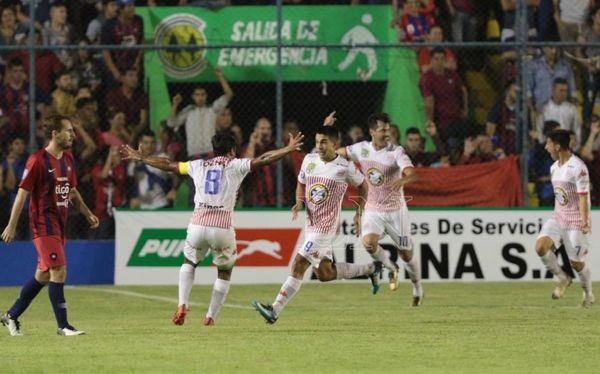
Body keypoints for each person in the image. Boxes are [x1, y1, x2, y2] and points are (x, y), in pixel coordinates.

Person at [119, 130, 304, 326]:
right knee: (224, 271)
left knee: (189, 262)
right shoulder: (236, 165)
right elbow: (263, 159)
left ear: (213, 150)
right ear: (232, 150)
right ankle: (210, 317)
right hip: (222, 227)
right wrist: (287, 149)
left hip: (198, 224)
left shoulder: (197, 165)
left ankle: (182, 303)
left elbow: (168, 165)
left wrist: (143, 157)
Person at [252, 126, 381, 325]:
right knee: (325, 274)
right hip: (311, 225)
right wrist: (298, 202)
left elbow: (364, 185)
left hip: (326, 228)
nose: (319, 146)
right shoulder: (309, 160)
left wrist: (359, 212)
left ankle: (274, 309)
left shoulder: (344, 166)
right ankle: (371, 269)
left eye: (323, 142)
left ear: (334, 144)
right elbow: (301, 182)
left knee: (299, 264)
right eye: (317, 141)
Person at [1, 115, 100, 337]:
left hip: (59, 225)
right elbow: (21, 194)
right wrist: (11, 225)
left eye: (73, 131)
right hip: (42, 225)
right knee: (59, 269)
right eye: (68, 131)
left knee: (43, 276)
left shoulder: (68, 159)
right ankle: (63, 326)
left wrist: (87, 213)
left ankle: (11, 315)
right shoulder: (37, 161)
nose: (73, 135)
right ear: (54, 133)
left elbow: (72, 191)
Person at [327, 112, 424, 305]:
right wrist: (327, 128)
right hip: (373, 208)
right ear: (372, 132)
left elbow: (412, 175)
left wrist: (403, 179)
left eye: (388, 129)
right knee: (369, 243)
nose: (387, 132)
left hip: (396, 212)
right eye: (382, 129)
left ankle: (417, 287)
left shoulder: (396, 151)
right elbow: (334, 153)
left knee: (407, 254)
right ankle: (390, 267)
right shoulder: (361, 149)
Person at [534, 129, 594, 308]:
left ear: (558, 146)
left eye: (549, 143)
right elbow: (560, 197)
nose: (546, 147)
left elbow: (583, 196)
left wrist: (584, 221)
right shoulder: (554, 168)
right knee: (540, 247)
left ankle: (588, 292)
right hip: (559, 217)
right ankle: (563, 278)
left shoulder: (578, 167)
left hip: (576, 220)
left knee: (577, 263)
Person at [168, 67, 234, 159]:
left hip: (211, 152)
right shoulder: (189, 111)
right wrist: (175, 105)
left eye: (203, 94)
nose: (200, 97)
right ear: (193, 97)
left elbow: (229, 95)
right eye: (197, 95)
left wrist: (220, 77)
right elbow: (172, 123)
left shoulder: (212, 109)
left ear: (206, 96)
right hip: (194, 153)